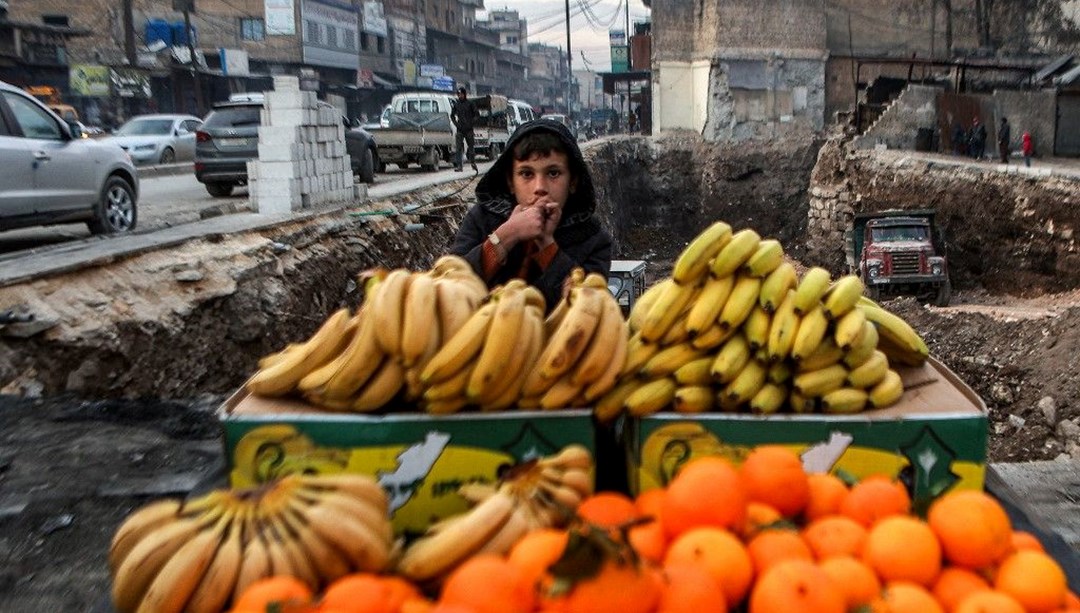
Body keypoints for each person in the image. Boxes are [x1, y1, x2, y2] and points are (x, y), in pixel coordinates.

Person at [448, 118, 612, 312]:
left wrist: (547, 245)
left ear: (573, 181)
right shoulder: (482, 219)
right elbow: (450, 289)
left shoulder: (593, 239)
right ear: (510, 182)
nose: (539, 187)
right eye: (526, 174)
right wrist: (507, 235)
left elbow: (586, 310)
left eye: (553, 173)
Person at [450, 86, 477, 172]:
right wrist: (456, 124)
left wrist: (471, 123)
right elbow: (452, 115)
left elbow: (477, 115)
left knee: (471, 147)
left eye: (461, 94)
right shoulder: (456, 104)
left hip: (469, 129)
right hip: (460, 129)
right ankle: (459, 166)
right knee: (458, 148)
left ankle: (472, 163)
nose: (460, 96)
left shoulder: (470, 103)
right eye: (459, 94)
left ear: (465, 94)